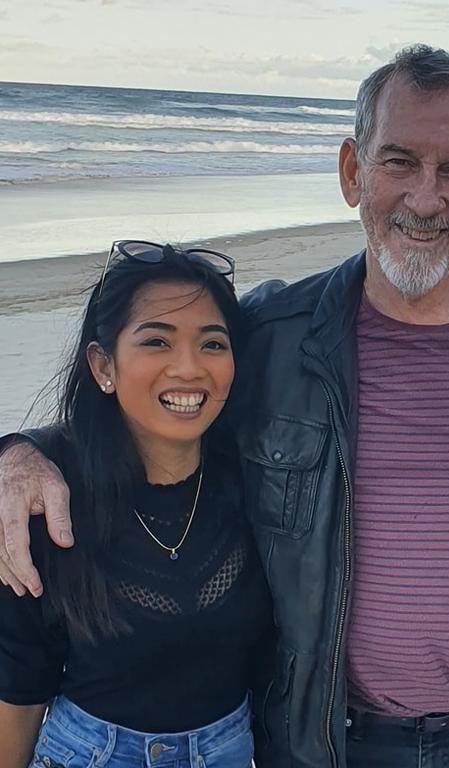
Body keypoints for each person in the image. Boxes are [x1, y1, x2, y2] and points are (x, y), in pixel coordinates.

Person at [0, 46, 449, 768]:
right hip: (321, 742)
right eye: (399, 161)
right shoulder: (272, 338)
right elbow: (157, 400)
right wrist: (19, 452)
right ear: (353, 171)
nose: (425, 197)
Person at [0, 242, 274, 768]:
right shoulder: (47, 502)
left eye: (213, 345)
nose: (189, 368)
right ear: (103, 365)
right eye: (156, 341)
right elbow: (19, 682)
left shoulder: (258, 481)